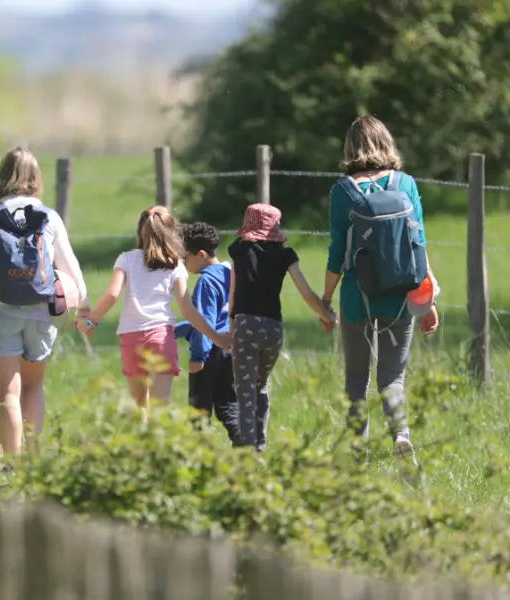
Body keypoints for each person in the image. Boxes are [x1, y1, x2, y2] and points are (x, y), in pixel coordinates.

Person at [323, 115, 438, 471]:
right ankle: (401, 436)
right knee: (392, 376)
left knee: (356, 377)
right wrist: (427, 300)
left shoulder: (343, 191)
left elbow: (338, 253)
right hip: (401, 295)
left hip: (359, 296)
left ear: (350, 149)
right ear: (387, 143)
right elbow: (418, 246)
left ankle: (357, 454)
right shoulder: (405, 184)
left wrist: (325, 301)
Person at [0, 147, 89, 458]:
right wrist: (83, 306)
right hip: (41, 311)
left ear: (2, 175)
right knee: (33, 387)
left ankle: (12, 462)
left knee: (8, 393)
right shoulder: (49, 216)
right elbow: (70, 267)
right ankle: (32, 460)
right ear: (35, 178)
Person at [77, 206, 232, 425]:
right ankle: (158, 455)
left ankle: (140, 453)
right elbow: (188, 310)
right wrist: (217, 338)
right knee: (161, 406)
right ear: (171, 234)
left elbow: (112, 295)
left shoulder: (126, 259)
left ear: (140, 232)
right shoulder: (175, 265)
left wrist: (90, 320)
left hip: (130, 337)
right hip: (160, 338)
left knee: (139, 404)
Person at [229, 203, 336, 452]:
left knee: (245, 392)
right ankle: (260, 446)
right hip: (273, 328)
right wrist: (328, 316)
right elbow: (307, 294)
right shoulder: (285, 255)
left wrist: (232, 328)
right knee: (261, 385)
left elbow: (232, 295)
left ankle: (246, 452)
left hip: (245, 324)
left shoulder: (237, 251)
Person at [174, 222, 238, 444]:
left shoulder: (206, 281)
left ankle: (200, 460)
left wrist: (197, 357)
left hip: (209, 353)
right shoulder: (231, 272)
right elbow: (216, 318)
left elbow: (204, 322)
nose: (183, 263)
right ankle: (247, 446)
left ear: (200, 254)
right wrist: (173, 330)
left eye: (185, 257)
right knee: (229, 406)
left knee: (199, 413)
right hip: (230, 350)